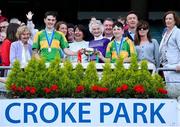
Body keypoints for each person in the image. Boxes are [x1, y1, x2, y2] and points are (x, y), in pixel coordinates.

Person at [159, 11, 180, 98]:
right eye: (166, 19)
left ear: (175, 20)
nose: (168, 20)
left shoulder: (178, 32)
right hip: (166, 67)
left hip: (175, 67)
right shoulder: (165, 33)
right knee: (170, 93)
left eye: (170, 18)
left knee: (177, 92)